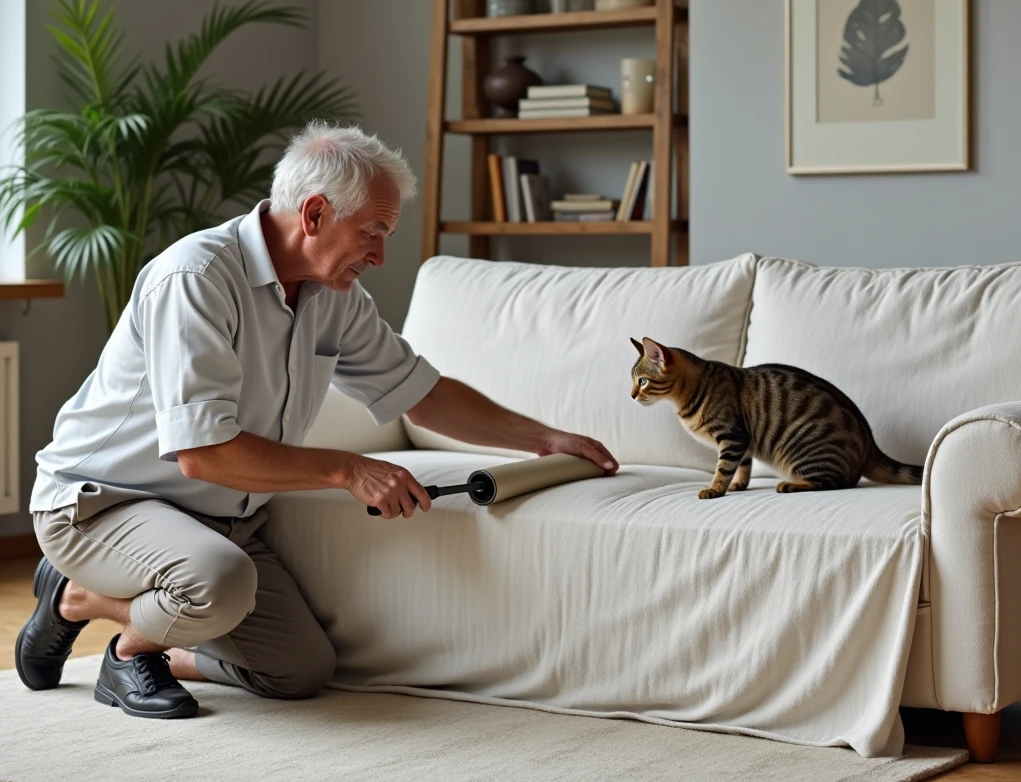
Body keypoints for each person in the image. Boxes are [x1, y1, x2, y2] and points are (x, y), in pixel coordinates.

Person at [15, 121, 618, 719]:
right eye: (373, 232)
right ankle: (95, 615)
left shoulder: (337, 298)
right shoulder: (196, 278)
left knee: (298, 671)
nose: (381, 255)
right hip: (103, 503)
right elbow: (204, 454)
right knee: (218, 582)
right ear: (314, 214)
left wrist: (544, 438)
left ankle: (145, 636)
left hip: (219, 516)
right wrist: (348, 470)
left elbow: (423, 394)